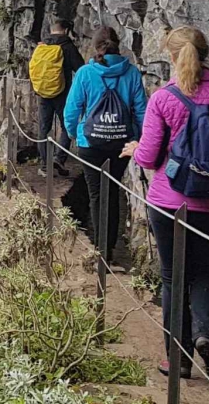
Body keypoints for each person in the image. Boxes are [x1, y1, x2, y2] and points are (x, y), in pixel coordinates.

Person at [124, 26, 209, 382]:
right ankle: (207, 336)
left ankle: (179, 359)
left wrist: (135, 150)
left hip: (168, 202)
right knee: (204, 272)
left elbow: (149, 156)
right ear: (205, 53)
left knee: (173, 277)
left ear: (172, 57)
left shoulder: (164, 99)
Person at [63, 26, 147, 260]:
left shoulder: (85, 73)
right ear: (118, 45)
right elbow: (141, 111)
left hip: (90, 144)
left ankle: (101, 251)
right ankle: (108, 247)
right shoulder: (131, 73)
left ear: (95, 46)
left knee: (96, 194)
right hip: (121, 144)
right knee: (112, 191)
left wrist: (74, 134)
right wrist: (138, 139)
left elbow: (72, 110)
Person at [28, 18, 83, 176]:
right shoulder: (68, 47)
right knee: (66, 126)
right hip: (62, 93)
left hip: (43, 93)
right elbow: (81, 69)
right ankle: (59, 159)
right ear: (66, 30)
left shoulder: (41, 47)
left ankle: (45, 166)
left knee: (44, 128)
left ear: (51, 30)